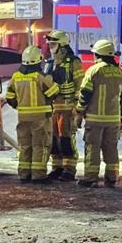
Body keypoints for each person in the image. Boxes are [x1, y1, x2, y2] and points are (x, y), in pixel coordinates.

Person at [5, 45, 59, 183]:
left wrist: (21, 107)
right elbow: (53, 93)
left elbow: (10, 97)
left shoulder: (16, 77)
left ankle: (24, 174)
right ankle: (38, 176)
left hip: (23, 118)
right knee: (40, 146)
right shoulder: (40, 77)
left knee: (25, 146)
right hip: (40, 119)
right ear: (38, 59)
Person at [75, 39, 122, 188]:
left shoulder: (94, 70)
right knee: (111, 149)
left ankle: (91, 178)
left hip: (95, 118)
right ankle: (111, 178)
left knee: (93, 148)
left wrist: (79, 112)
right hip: (113, 119)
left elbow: (85, 93)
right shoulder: (119, 72)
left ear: (99, 54)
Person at [43, 29, 85, 181]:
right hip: (53, 107)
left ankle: (69, 169)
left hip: (67, 107)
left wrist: (77, 107)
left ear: (62, 45)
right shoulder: (49, 63)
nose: (50, 47)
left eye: (53, 44)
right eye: (49, 45)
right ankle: (57, 167)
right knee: (54, 140)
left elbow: (80, 84)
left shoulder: (73, 62)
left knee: (66, 139)